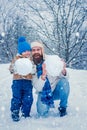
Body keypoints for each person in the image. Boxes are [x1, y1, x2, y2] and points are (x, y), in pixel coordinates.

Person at [31, 41, 70, 117]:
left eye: (38, 49)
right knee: (41, 112)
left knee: (64, 83)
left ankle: (63, 107)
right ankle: (47, 103)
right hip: (44, 93)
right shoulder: (31, 67)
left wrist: (63, 70)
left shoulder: (51, 60)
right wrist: (43, 76)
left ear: (42, 50)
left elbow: (66, 78)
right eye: (33, 50)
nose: (36, 52)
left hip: (56, 90)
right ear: (31, 52)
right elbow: (38, 88)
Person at [9, 36, 33, 121]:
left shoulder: (30, 60)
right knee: (17, 97)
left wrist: (33, 69)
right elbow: (11, 69)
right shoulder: (16, 59)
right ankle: (15, 112)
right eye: (25, 51)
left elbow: (33, 69)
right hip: (17, 82)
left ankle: (26, 113)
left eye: (29, 51)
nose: (28, 53)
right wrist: (14, 68)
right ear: (21, 52)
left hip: (28, 82)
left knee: (28, 98)